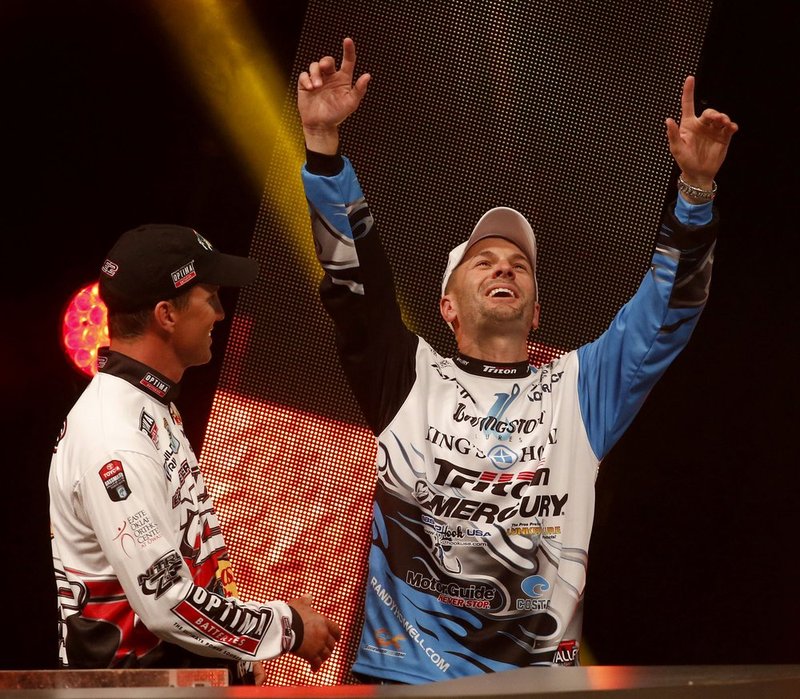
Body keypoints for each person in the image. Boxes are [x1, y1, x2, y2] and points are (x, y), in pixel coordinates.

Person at [296, 37, 737, 684]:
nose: (504, 265)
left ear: (535, 312)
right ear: (447, 306)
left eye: (519, 264)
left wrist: (695, 189)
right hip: (400, 681)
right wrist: (324, 152)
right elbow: (352, 285)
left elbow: (664, 315)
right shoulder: (411, 379)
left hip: (532, 686)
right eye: (484, 260)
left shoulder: (578, 391)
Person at [48, 224, 341, 685]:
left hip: (169, 685)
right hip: (131, 692)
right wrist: (285, 626)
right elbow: (168, 602)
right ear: (166, 314)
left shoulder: (148, 406)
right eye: (211, 298)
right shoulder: (114, 438)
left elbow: (190, 560)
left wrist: (236, 659)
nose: (221, 314)